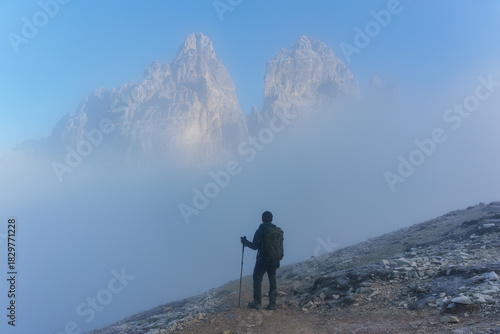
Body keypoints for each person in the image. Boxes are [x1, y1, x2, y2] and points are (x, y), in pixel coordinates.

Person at [241, 211, 282, 310]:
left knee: (257, 279)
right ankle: (272, 304)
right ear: (271, 219)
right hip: (274, 260)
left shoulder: (260, 231)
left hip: (262, 261)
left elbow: (255, 247)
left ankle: (257, 303)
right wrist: (278, 260)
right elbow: (279, 247)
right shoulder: (278, 231)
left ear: (262, 219)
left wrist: (244, 241)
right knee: (272, 280)